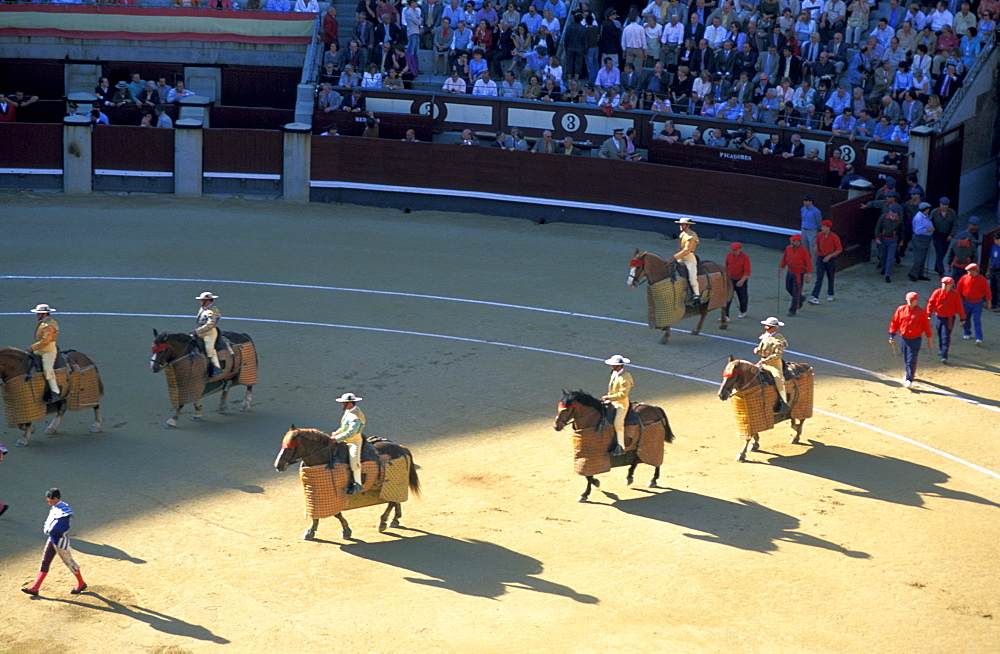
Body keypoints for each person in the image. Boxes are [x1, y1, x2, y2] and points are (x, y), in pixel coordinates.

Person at [21, 488, 87, 596]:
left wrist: (52, 531)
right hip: (52, 539)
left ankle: (81, 583)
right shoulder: (58, 507)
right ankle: (35, 588)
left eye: (49, 498)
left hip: (60, 541)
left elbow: (64, 527)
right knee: (45, 561)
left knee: (69, 563)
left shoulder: (63, 510)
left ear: (56, 498)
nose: (47, 500)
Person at [888, 291, 933, 388]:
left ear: (916, 300)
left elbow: (926, 327)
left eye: (912, 300)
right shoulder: (901, 309)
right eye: (909, 300)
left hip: (915, 339)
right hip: (904, 338)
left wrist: (929, 339)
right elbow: (895, 322)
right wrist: (892, 335)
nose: (910, 302)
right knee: (906, 358)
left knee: (911, 359)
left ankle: (909, 379)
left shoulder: (921, 312)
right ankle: (910, 373)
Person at [332, 392, 366, 494]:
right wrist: (336, 433)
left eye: (344, 403)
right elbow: (344, 427)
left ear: (349, 403)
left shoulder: (356, 415)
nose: (342, 404)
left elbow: (351, 432)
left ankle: (357, 484)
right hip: (344, 438)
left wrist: (337, 439)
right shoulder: (349, 412)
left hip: (354, 441)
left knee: (354, 460)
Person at [926, 276, 966, 363]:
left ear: (951, 285)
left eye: (947, 284)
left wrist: (962, 317)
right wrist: (928, 314)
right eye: (943, 283)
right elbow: (931, 303)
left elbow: (959, 307)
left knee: (945, 336)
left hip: (949, 318)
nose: (944, 285)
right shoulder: (937, 292)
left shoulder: (955, 295)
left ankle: (944, 355)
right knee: (940, 334)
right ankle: (942, 349)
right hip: (938, 317)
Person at [27, 303, 61, 401]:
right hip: (40, 349)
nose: (37, 315)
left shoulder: (49, 325)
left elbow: (46, 341)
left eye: (39, 313)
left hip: (48, 351)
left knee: (48, 370)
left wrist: (32, 347)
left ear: (44, 314)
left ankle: (56, 392)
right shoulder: (45, 322)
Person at [754, 317, 789, 410]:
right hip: (763, 361)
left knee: (778, 379)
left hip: (774, 363)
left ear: (774, 328)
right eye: (766, 325)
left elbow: (777, 355)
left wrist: (765, 361)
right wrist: (758, 350)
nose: (766, 327)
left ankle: (783, 402)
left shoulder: (779, 338)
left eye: (768, 326)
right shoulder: (765, 336)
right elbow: (763, 348)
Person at [600, 355, 633, 451]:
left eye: (613, 364)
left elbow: (622, 394)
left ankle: (621, 446)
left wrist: (608, 397)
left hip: (621, 403)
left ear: (619, 366)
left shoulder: (626, 378)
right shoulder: (614, 373)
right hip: (611, 400)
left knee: (618, 423)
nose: (611, 366)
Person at [667, 217, 701, 303]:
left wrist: (674, 257)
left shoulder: (692, 236)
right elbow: (680, 248)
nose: (680, 226)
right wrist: (677, 257)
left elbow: (687, 250)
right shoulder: (682, 234)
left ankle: (696, 296)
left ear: (688, 225)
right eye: (680, 224)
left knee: (692, 277)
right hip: (680, 257)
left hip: (689, 258)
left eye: (682, 224)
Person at [957, 263, 991, 345]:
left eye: (969, 270)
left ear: (974, 271)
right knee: (965, 319)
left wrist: (988, 301)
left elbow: (987, 291)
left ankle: (979, 338)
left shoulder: (982, 280)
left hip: (977, 303)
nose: (968, 272)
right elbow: (959, 288)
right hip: (965, 302)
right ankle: (967, 332)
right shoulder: (964, 278)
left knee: (977, 320)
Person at [809, 220, 842, 303]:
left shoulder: (834, 237)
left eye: (824, 227)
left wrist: (829, 256)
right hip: (820, 258)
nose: (822, 228)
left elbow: (839, 249)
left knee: (830, 277)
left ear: (828, 228)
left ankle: (830, 294)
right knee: (819, 277)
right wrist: (816, 247)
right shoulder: (819, 235)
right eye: (822, 226)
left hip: (830, 259)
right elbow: (816, 243)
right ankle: (815, 296)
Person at [779, 234, 812, 316]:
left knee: (796, 291)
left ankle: (792, 310)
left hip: (799, 273)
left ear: (798, 242)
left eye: (794, 241)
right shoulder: (788, 248)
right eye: (792, 241)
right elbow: (784, 259)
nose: (792, 243)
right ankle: (801, 298)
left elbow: (808, 263)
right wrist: (780, 269)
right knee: (788, 288)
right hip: (790, 271)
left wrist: (808, 275)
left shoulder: (804, 251)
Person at [192, 292, 223, 377]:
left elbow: (210, 325)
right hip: (199, 332)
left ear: (208, 301)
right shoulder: (202, 308)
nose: (201, 302)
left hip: (209, 333)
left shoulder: (214, 311)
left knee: (209, 348)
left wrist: (197, 330)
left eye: (202, 300)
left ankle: (216, 368)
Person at [874, 204, 905, 283]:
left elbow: (902, 231)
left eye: (895, 213)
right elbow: (878, 227)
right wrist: (877, 237)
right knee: (882, 255)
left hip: (893, 240)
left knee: (890, 257)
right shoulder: (883, 217)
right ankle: (884, 267)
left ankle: (887, 275)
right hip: (883, 239)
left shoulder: (899, 220)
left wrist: (901, 240)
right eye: (893, 212)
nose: (894, 214)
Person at [908, 201, 935, 282]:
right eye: (928, 209)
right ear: (925, 209)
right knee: (919, 258)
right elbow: (918, 230)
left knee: (923, 258)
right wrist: (928, 229)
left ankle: (920, 274)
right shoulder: (919, 217)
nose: (929, 210)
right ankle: (912, 273)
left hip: (925, 239)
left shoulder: (924, 216)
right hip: (919, 239)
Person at [725, 242, 751, 318]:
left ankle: (743, 311)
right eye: (733, 250)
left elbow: (747, 272)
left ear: (740, 249)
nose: (734, 252)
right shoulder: (729, 256)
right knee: (727, 297)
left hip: (741, 280)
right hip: (730, 279)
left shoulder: (745, 258)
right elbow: (726, 266)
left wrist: (742, 281)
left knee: (742, 297)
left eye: (736, 250)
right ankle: (726, 315)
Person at [989, 233, 1000, 314]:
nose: (994, 240)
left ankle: (999, 306)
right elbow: (991, 257)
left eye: (996, 239)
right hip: (993, 268)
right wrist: (988, 270)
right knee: (993, 287)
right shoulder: (994, 247)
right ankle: (993, 303)